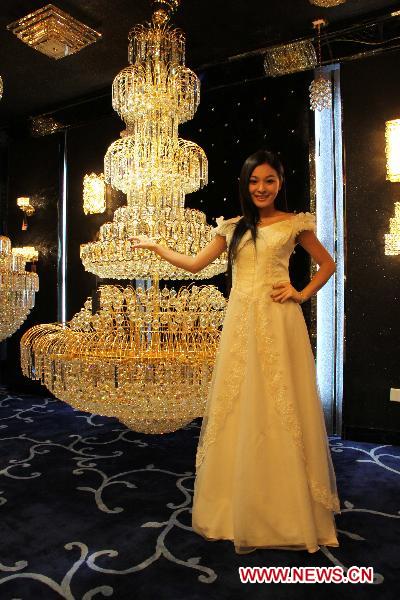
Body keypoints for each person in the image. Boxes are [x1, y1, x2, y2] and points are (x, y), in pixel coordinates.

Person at [132, 149, 341, 555]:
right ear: (245, 185)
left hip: (280, 323)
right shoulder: (232, 227)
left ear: (280, 183)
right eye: (254, 181)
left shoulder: (295, 224)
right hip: (240, 324)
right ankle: (234, 505)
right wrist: (156, 246)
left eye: (269, 180)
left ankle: (287, 508)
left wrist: (301, 293)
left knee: (282, 403)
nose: (261, 188)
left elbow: (328, 265)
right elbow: (194, 265)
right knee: (239, 403)